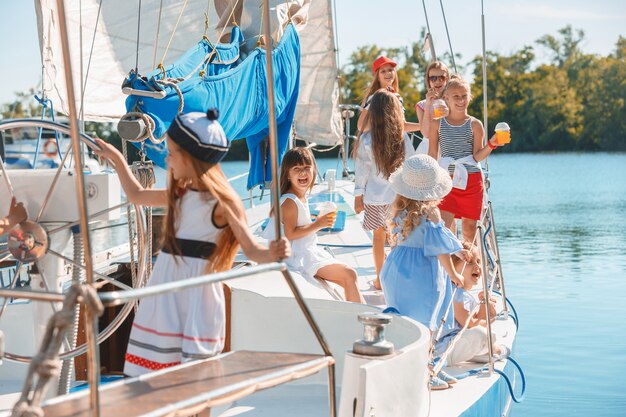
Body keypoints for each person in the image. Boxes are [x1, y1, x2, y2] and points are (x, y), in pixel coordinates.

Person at [94, 109, 290, 376]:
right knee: (154, 376)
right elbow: (137, 195)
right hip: (164, 293)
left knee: (197, 378)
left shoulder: (222, 203)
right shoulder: (180, 195)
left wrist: (274, 251)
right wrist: (117, 158)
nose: (167, 157)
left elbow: (253, 250)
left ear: (192, 158)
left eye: (172, 151)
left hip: (197, 296)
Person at [380, 154, 466, 390]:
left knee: (406, 323)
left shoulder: (397, 209)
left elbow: (429, 239)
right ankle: (424, 373)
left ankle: (425, 367)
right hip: (422, 272)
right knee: (427, 325)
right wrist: (454, 274)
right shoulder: (432, 213)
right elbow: (439, 248)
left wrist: (458, 250)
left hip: (396, 269)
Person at [269, 147, 364, 303]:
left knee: (347, 280)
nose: (303, 173)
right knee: (350, 274)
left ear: (313, 170)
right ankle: (362, 321)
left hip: (305, 251)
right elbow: (290, 233)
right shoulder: (290, 202)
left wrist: (313, 219)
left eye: (307, 168)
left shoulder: (298, 198)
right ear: (287, 175)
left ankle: (363, 312)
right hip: (298, 256)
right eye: (297, 169)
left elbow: (295, 223)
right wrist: (318, 224)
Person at [428, 75, 506, 242]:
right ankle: (448, 266)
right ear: (446, 97)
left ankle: (471, 265)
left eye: (464, 96)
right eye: (456, 96)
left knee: (469, 230)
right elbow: (432, 154)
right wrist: (429, 180)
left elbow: (476, 156)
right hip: (446, 181)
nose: (461, 100)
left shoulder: (475, 124)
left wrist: (492, 144)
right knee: (444, 227)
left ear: (469, 97)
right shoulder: (437, 124)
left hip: (471, 181)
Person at [354, 89, 416, 290]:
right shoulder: (402, 138)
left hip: (374, 198)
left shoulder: (366, 140)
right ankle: (397, 279)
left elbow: (361, 171)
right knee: (397, 239)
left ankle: (380, 280)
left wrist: (358, 196)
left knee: (378, 238)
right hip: (398, 198)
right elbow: (412, 165)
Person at [443, 241, 510, 365]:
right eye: (469, 262)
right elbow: (470, 325)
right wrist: (488, 323)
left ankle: (489, 350)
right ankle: (496, 350)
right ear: (452, 266)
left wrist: (484, 301)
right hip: (444, 349)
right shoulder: (453, 293)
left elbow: (482, 318)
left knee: (485, 334)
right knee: (482, 334)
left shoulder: (465, 295)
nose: (477, 267)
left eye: (478, 261)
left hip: (458, 344)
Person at [356, 56, 420, 133]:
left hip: (395, 140)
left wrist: (423, 126)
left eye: (390, 70)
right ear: (378, 77)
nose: (388, 73)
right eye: (383, 71)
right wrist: (385, 118)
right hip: (376, 141)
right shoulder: (374, 97)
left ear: (395, 73)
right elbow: (360, 126)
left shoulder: (398, 98)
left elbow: (402, 125)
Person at [414, 61, 450, 154]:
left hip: (450, 148)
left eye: (441, 77)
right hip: (427, 149)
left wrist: (450, 114)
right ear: (428, 81)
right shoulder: (421, 105)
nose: (437, 81)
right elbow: (426, 133)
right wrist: (428, 104)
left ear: (447, 79)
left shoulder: (454, 102)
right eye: (433, 78)